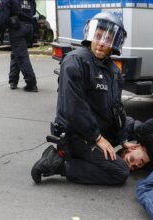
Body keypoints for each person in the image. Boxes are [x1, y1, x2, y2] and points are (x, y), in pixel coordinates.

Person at [30, 12, 133, 185]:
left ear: (114, 44)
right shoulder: (74, 62)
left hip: (98, 129)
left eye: (107, 39)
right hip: (77, 134)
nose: (101, 43)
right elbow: (74, 108)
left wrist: (123, 140)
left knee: (134, 126)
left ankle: (89, 157)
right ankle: (60, 163)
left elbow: (117, 108)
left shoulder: (113, 70)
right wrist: (98, 139)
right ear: (90, 36)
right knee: (120, 172)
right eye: (98, 36)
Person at [0, 0, 38, 92]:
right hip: (29, 28)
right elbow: (34, 11)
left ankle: (31, 83)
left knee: (21, 56)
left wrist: (1, 31)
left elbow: (3, 18)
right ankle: (13, 81)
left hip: (17, 28)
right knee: (17, 52)